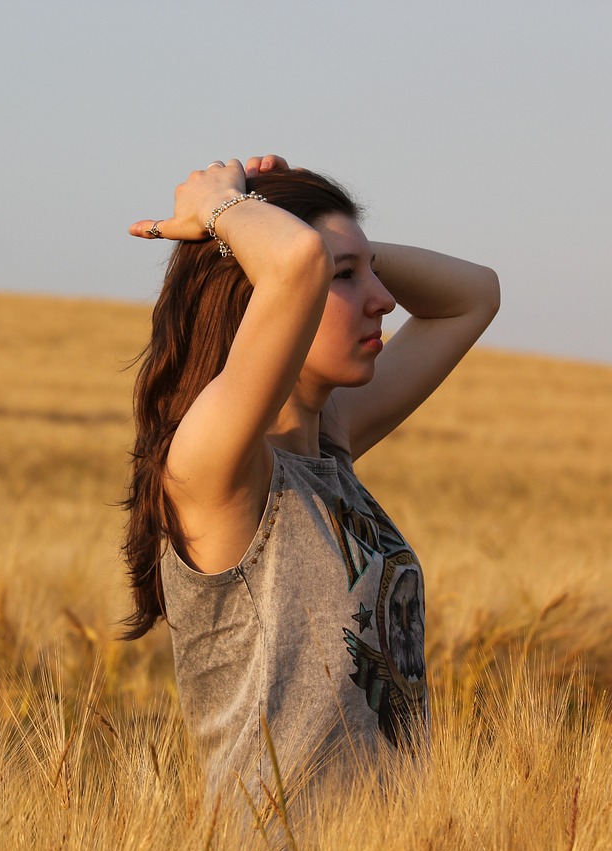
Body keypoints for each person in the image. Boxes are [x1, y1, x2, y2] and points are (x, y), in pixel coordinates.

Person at [122, 155, 499, 808]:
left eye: (368, 274)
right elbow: (295, 261)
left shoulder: (331, 441)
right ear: (258, 293)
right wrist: (222, 203)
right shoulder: (219, 471)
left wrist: (298, 226)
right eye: (345, 278)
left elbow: (474, 294)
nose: (382, 299)